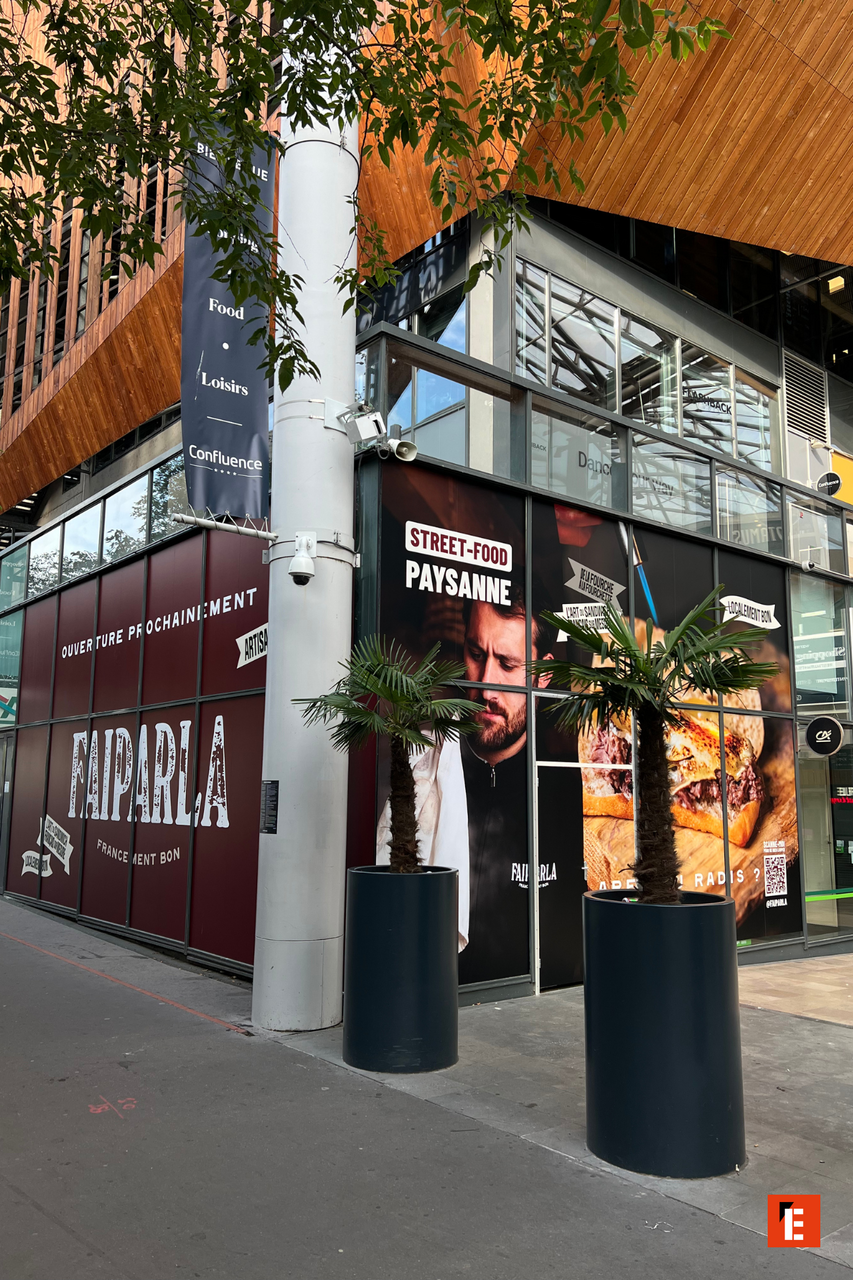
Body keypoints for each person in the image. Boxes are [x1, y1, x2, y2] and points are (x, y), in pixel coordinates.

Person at [376, 586, 554, 984]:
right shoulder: (416, 769)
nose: (486, 688)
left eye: (507, 664)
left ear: (543, 675)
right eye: (476, 654)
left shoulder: (564, 785)